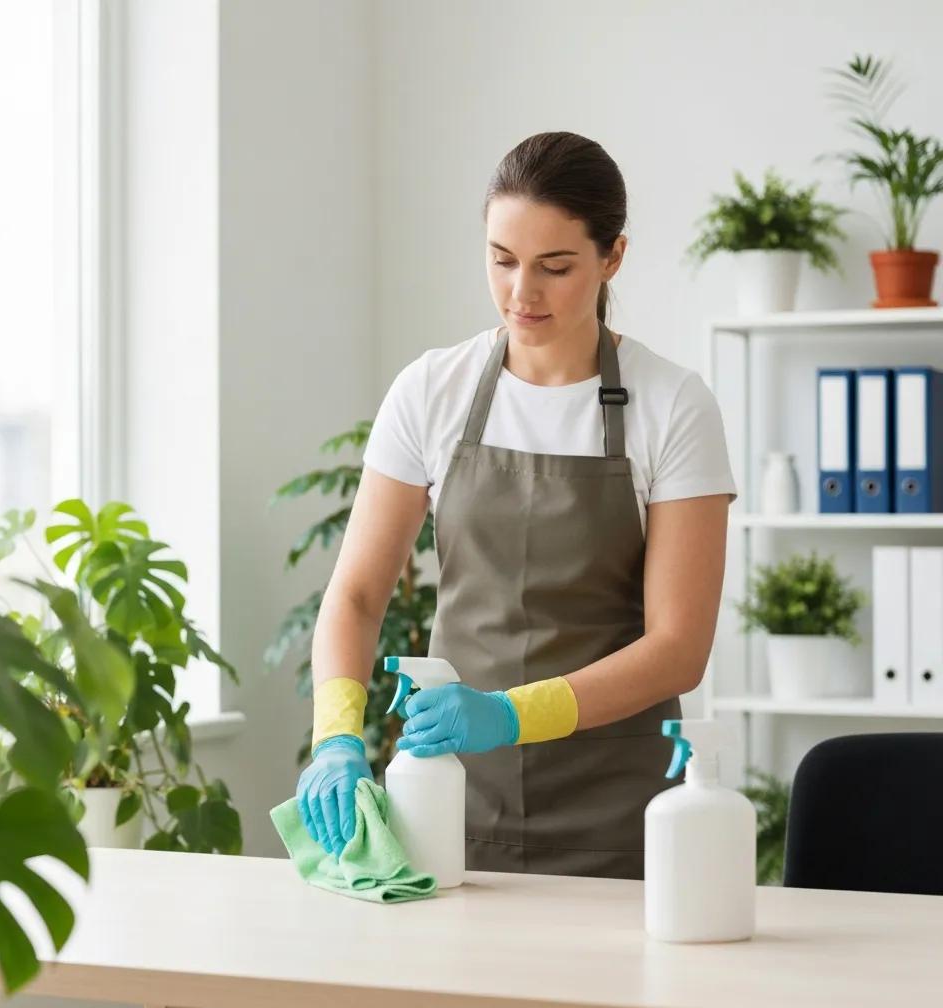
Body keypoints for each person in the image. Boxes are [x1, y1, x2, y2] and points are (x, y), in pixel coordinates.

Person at [296, 131, 737, 879]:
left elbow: (679, 649)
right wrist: (336, 735)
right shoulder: (432, 390)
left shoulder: (675, 406)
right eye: (501, 261)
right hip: (451, 796)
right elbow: (359, 594)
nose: (521, 295)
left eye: (555, 267)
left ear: (613, 258)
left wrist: (507, 715)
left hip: (618, 809)